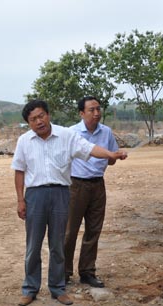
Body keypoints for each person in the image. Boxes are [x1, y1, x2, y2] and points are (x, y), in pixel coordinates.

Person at [11, 100, 127, 306]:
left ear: (48, 115)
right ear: (28, 123)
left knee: (58, 244)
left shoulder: (66, 135)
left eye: (41, 116)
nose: (39, 121)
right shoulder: (24, 141)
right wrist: (21, 200)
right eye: (33, 119)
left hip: (61, 193)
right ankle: (30, 289)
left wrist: (111, 154)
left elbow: (89, 149)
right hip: (35, 195)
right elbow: (19, 171)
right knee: (33, 245)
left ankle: (57, 288)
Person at [64, 97, 119, 288]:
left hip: (98, 185)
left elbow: (111, 159)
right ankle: (63, 273)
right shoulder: (71, 133)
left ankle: (87, 271)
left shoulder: (106, 132)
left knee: (93, 230)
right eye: (91, 110)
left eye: (98, 109)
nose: (96, 113)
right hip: (76, 185)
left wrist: (115, 156)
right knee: (69, 231)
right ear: (81, 113)